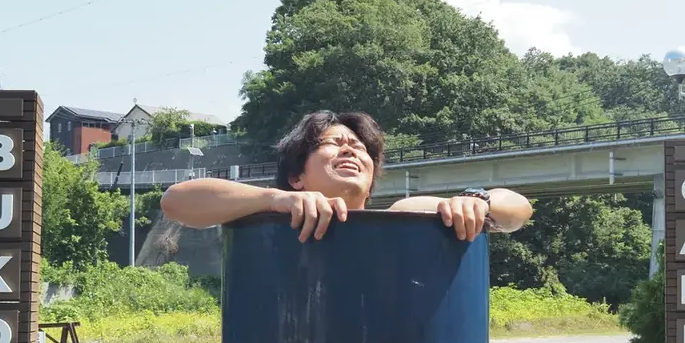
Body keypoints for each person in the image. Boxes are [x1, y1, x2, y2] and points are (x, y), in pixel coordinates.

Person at [160, 110, 533, 242]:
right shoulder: (268, 217)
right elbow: (175, 201)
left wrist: (477, 201)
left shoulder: (406, 212)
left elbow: (519, 209)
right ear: (296, 176)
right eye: (332, 143)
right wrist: (275, 200)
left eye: (360, 148)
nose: (351, 150)